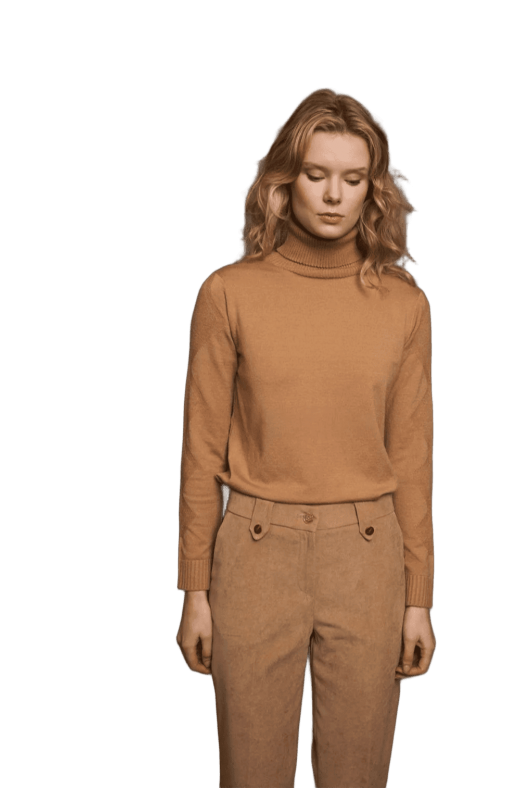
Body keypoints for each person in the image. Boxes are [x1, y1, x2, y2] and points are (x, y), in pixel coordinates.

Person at [176, 87, 435, 788]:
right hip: (253, 554)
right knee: (250, 774)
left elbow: (413, 459)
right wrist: (194, 589)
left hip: (369, 557)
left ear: (373, 189)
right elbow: (200, 454)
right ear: (285, 181)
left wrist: (419, 598)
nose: (333, 196)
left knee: (358, 776)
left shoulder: (405, 305)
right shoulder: (228, 293)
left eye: (353, 178)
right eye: (316, 174)